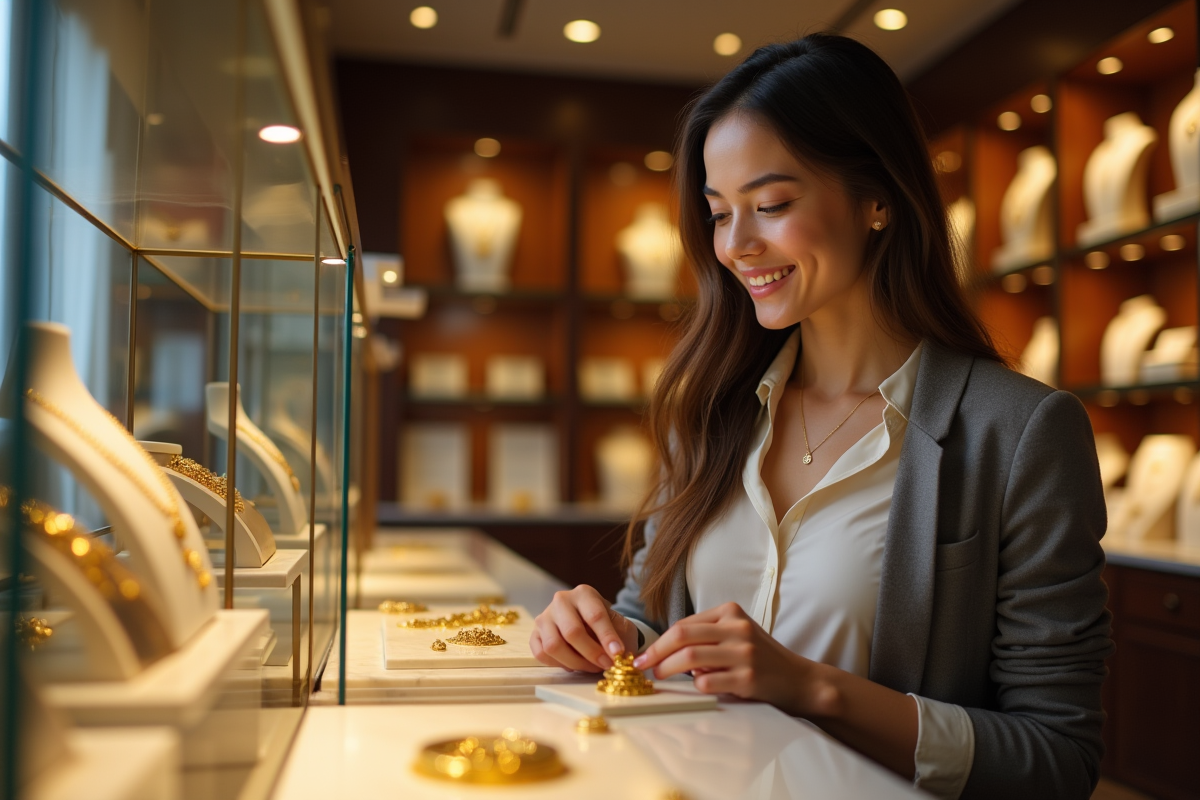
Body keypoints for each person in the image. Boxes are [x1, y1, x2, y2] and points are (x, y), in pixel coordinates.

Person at [531, 33, 1112, 800]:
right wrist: (605, 633)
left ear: (878, 198)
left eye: (771, 204)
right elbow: (652, 612)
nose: (737, 245)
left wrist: (812, 687)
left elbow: (1056, 758)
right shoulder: (709, 410)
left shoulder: (1022, 432)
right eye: (717, 212)